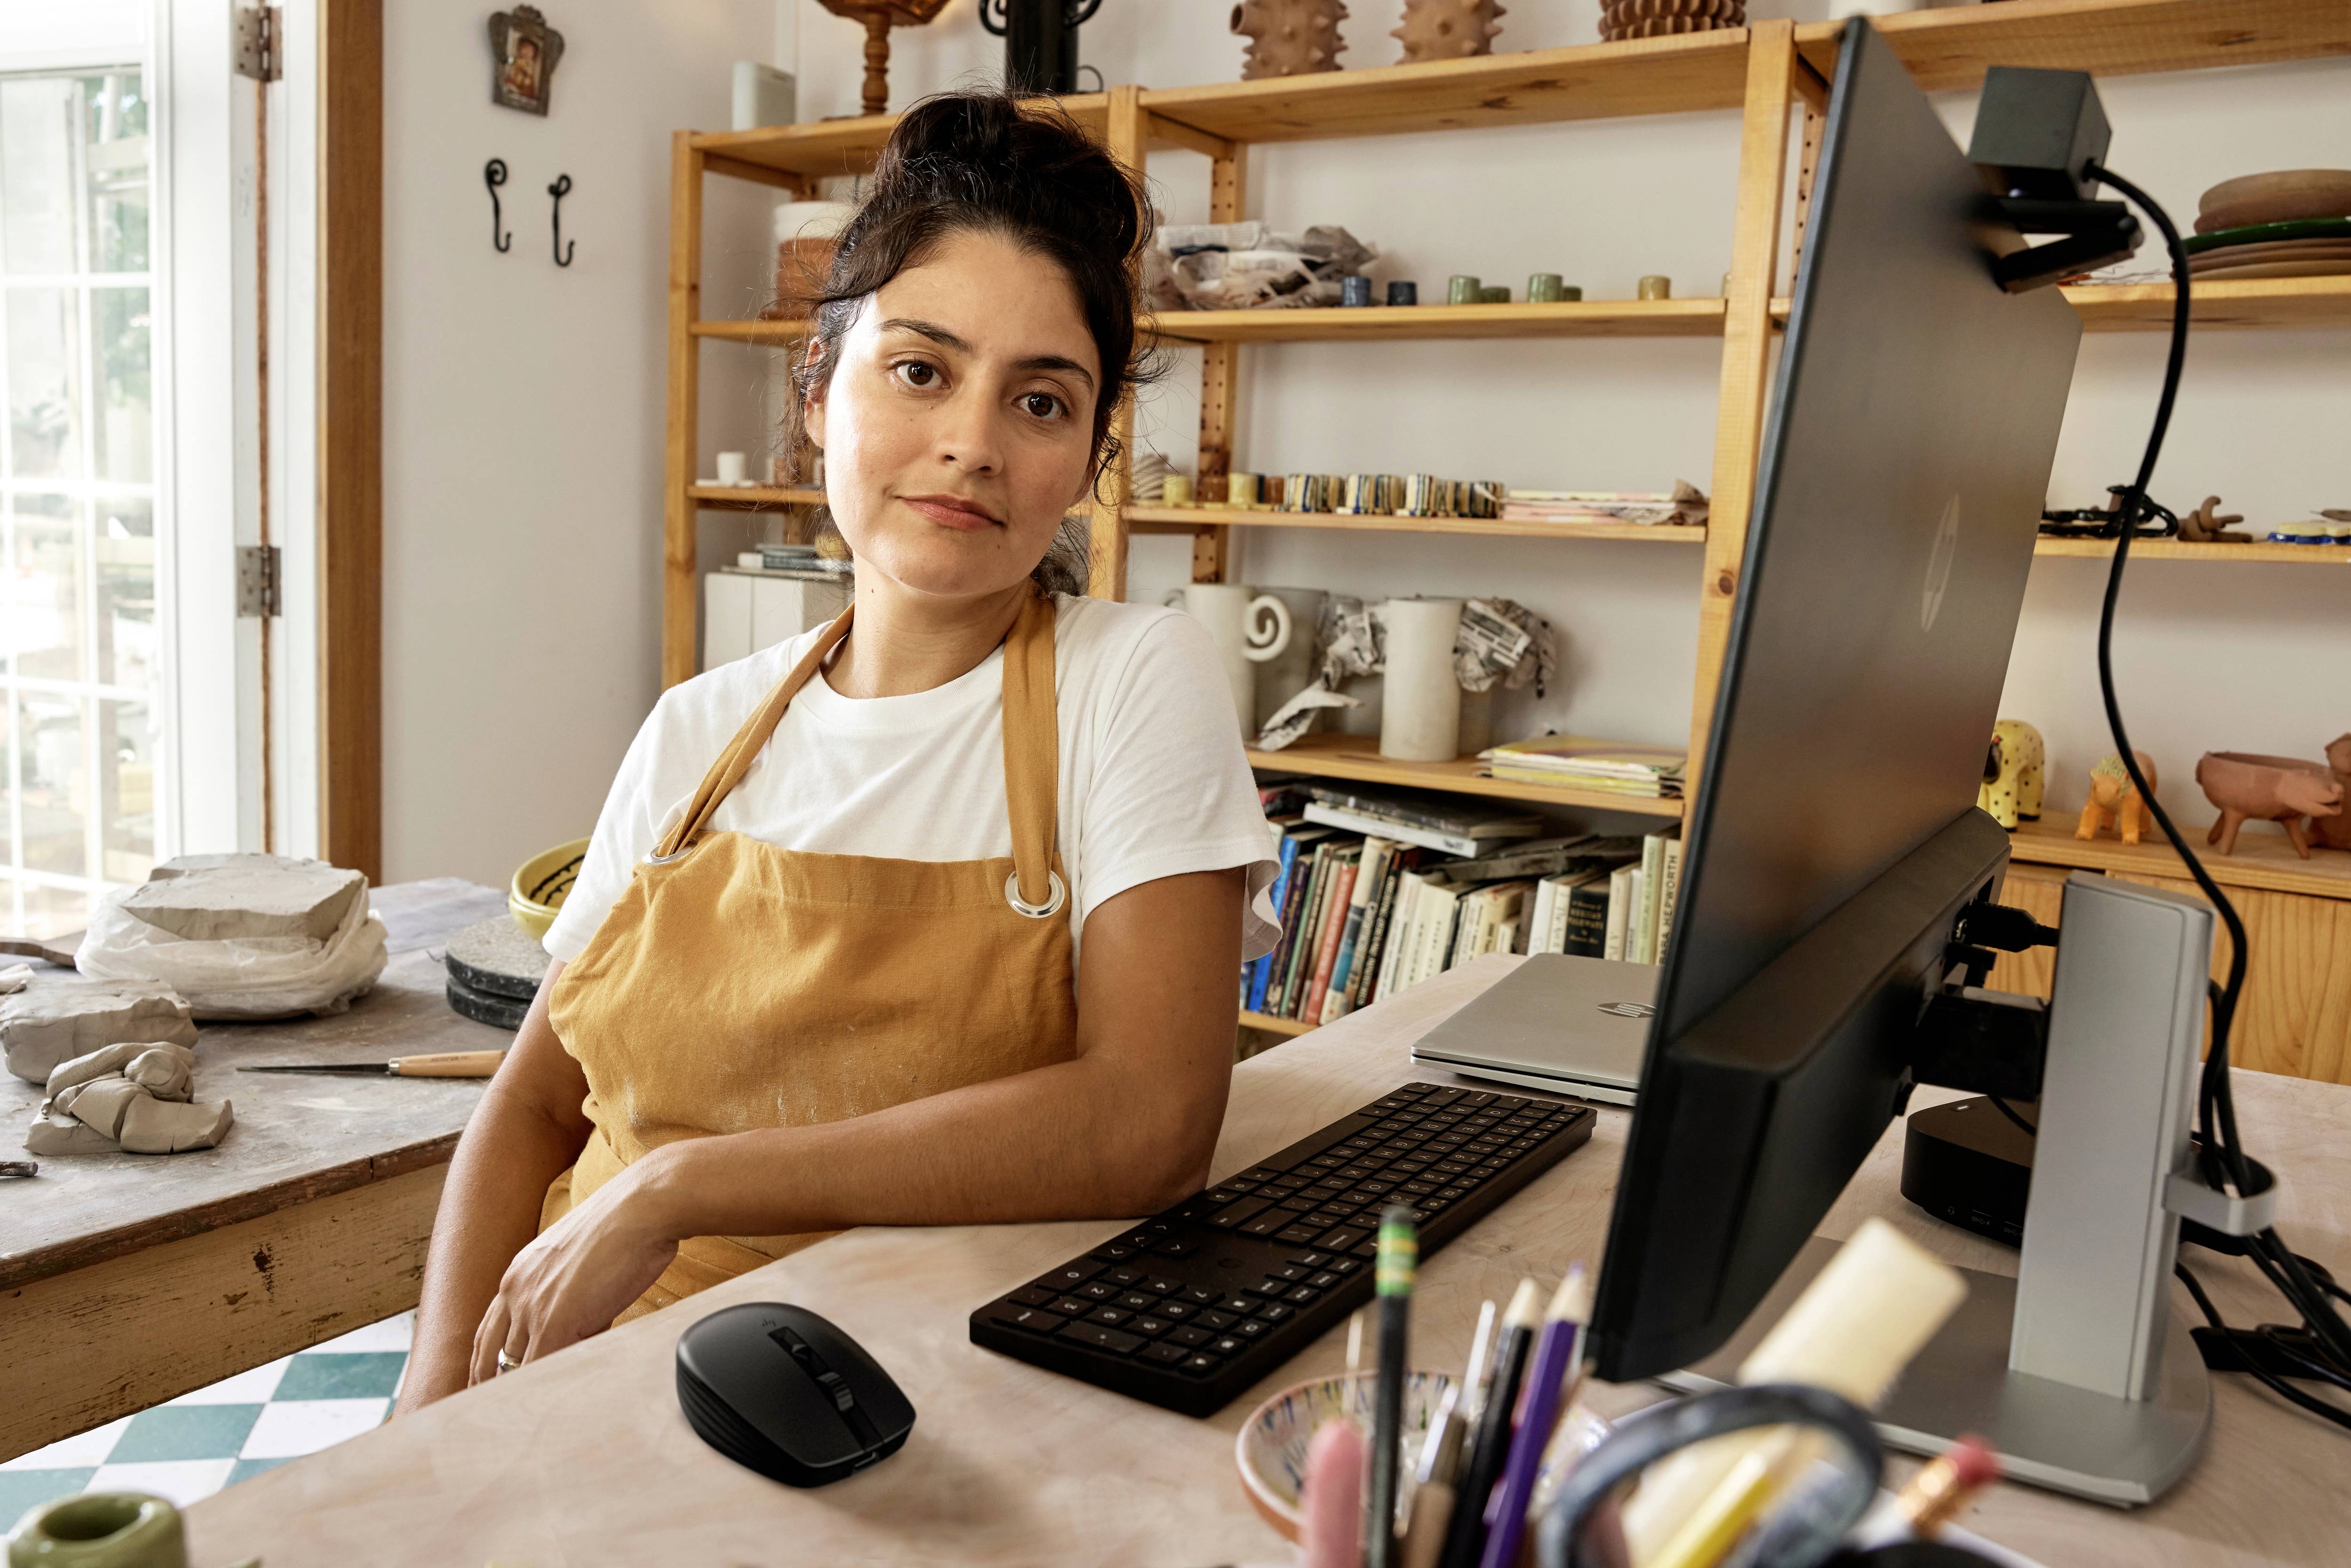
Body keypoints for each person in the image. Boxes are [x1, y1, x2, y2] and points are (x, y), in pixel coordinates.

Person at [397, 93, 1280, 1410]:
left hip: (891, 1392)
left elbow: (1150, 1127)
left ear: (1087, 457)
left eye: (1041, 402)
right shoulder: (699, 729)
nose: (972, 444)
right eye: (920, 370)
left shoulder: (1127, 682)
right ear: (817, 396)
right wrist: (431, 1402)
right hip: (574, 1364)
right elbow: (532, 1108)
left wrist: (685, 1185)